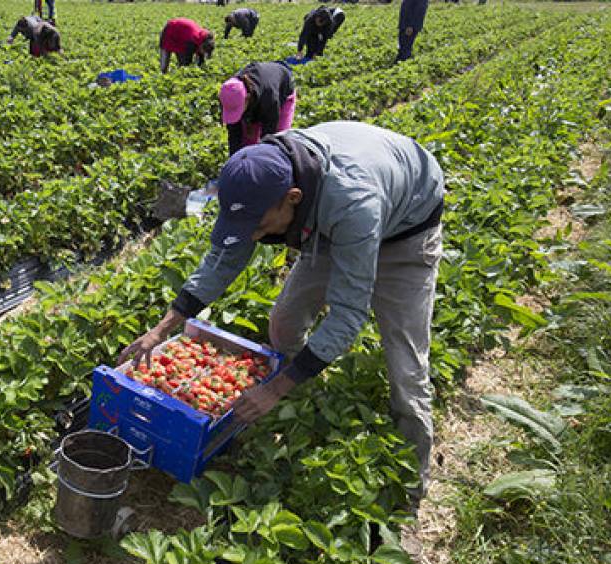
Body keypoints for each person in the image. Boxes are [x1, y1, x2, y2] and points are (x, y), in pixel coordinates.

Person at [120, 121, 445, 511]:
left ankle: (411, 492)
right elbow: (224, 258)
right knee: (284, 323)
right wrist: (162, 329)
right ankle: (301, 393)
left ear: (292, 198)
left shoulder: (353, 203)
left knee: (406, 370)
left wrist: (274, 388)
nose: (253, 236)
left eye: (258, 226)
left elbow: (348, 312)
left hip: (404, 229)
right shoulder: (260, 178)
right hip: (329, 220)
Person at [220, 61, 297, 156]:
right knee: (248, 143)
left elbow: (269, 137)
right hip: (256, 100)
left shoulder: (269, 98)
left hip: (283, 91)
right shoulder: (229, 94)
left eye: (238, 110)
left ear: (247, 98)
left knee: (278, 143)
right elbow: (234, 135)